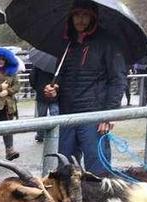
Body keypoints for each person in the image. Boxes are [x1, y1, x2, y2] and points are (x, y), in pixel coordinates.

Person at [43, 0, 126, 176]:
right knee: (65, 171)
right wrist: (53, 91)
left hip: (94, 116)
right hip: (68, 116)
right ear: (71, 17)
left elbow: (117, 80)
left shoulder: (107, 43)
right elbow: (61, 80)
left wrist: (108, 114)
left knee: (98, 172)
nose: (80, 20)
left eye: (85, 15)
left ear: (93, 17)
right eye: (77, 15)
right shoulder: (67, 45)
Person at [30, 63, 58, 142]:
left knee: (41, 116)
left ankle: (40, 135)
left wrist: (37, 88)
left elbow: (32, 78)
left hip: (41, 93)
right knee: (55, 115)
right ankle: (55, 134)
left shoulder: (38, 65)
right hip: (54, 94)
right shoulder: (57, 64)